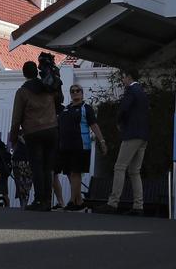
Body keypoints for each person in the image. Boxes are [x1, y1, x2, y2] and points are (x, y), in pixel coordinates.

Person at [10, 61, 59, 211]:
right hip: (52, 130)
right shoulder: (48, 88)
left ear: (24, 74)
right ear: (36, 73)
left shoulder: (22, 92)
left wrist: (13, 139)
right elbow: (58, 102)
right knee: (47, 167)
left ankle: (39, 200)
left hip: (33, 132)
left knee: (37, 166)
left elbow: (16, 118)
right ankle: (47, 201)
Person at [100, 68, 149, 216]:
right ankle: (138, 205)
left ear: (128, 76)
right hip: (143, 136)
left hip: (132, 134)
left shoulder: (131, 91)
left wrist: (119, 122)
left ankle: (113, 203)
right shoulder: (142, 92)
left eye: (123, 77)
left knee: (119, 167)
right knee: (135, 171)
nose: (122, 80)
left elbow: (124, 109)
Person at [58, 84, 107, 212]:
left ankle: (72, 201)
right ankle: (79, 201)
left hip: (80, 145)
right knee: (69, 173)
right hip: (65, 146)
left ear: (82, 93)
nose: (75, 93)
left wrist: (101, 141)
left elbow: (94, 125)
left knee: (76, 172)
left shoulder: (86, 108)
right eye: (72, 91)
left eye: (77, 90)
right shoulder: (65, 109)